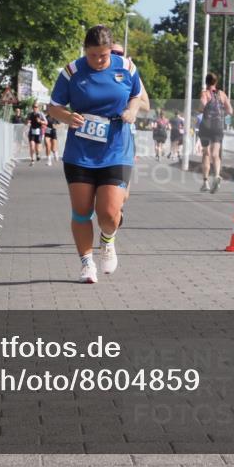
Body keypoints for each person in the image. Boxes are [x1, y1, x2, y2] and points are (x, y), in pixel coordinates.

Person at [47, 25, 142, 283]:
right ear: (85, 51)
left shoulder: (127, 68)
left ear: (111, 50)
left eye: (103, 55)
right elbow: (53, 107)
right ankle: (87, 263)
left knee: (110, 213)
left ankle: (108, 240)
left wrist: (132, 111)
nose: (98, 61)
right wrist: (68, 116)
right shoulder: (72, 72)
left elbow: (136, 97)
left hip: (116, 149)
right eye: (93, 55)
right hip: (81, 152)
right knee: (81, 210)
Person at [198, 73, 232, 193]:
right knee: (215, 154)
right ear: (216, 82)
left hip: (206, 125)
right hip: (218, 126)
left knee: (206, 154)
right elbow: (230, 110)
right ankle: (217, 175)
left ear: (206, 82)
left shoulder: (205, 93)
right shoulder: (222, 94)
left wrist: (201, 108)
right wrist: (222, 114)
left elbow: (202, 106)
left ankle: (205, 182)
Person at [26, 102, 46, 166]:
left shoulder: (41, 114)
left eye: (36, 107)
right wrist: (27, 122)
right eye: (34, 107)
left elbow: (46, 122)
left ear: (38, 108)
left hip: (39, 132)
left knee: (37, 148)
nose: (35, 108)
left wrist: (40, 121)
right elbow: (26, 122)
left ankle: (37, 154)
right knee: (32, 146)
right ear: (32, 108)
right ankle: (32, 160)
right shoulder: (30, 114)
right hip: (32, 131)